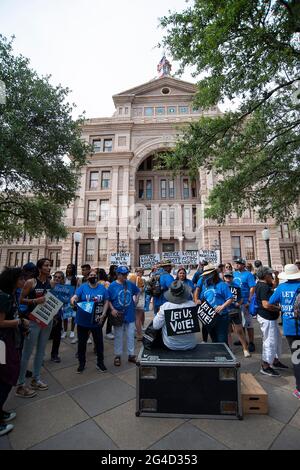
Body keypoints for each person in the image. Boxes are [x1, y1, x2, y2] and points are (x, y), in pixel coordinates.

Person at [0, 268, 34, 436]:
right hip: (1, 343)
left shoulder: (12, 295)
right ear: (13, 280)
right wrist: (19, 322)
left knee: (9, 373)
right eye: (21, 278)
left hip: (10, 340)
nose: (24, 281)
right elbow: (0, 322)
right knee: (5, 376)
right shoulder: (3, 297)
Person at [16, 258, 53, 397]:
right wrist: (34, 301)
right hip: (32, 321)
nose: (49, 267)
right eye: (46, 265)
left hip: (46, 320)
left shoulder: (51, 283)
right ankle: (20, 384)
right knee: (27, 352)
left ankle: (36, 379)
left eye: (50, 265)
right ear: (39, 268)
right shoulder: (31, 282)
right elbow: (19, 299)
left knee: (41, 351)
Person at [269, 264, 300, 399]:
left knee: (297, 358)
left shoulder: (281, 288)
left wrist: (281, 308)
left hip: (291, 328)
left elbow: (270, 302)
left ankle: (299, 389)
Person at [71, 268, 109, 374]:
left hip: (96, 320)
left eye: (94, 275)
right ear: (87, 277)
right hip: (83, 320)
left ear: (97, 277)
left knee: (99, 343)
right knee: (82, 344)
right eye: (90, 275)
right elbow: (75, 297)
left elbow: (106, 301)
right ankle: (81, 363)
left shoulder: (102, 288)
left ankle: (100, 363)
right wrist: (73, 301)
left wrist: (104, 314)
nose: (93, 277)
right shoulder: (82, 287)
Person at [256, 267, 288, 377]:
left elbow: (274, 285)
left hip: (269, 318)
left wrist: (276, 277)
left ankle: (274, 361)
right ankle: (265, 366)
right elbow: (266, 305)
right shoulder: (263, 286)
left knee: (276, 339)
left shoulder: (264, 284)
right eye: (270, 275)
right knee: (269, 341)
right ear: (265, 276)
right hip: (267, 318)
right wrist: (279, 308)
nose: (272, 276)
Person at [108, 266, 140, 367]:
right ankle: (117, 355)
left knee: (130, 335)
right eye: (123, 274)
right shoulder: (112, 286)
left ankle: (131, 355)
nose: (126, 275)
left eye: (126, 273)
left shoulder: (129, 284)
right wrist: (112, 309)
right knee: (118, 335)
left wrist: (136, 300)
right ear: (118, 275)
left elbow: (137, 291)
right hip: (118, 314)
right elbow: (107, 299)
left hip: (129, 313)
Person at [153, 280, 197, 351]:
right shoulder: (192, 305)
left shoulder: (165, 307)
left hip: (171, 345)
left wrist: (159, 313)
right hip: (190, 344)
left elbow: (155, 326)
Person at [197, 264, 233, 344]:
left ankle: (225, 356)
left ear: (213, 273)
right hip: (210, 317)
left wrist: (222, 306)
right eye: (205, 275)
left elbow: (230, 298)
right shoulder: (205, 285)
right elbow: (203, 298)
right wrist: (199, 301)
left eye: (208, 274)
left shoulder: (222, 285)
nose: (206, 276)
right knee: (214, 340)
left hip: (221, 317)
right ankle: (218, 356)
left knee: (222, 340)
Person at [223, 271, 251, 358]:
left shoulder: (236, 286)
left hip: (235, 310)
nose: (228, 278)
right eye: (226, 276)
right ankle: (230, 349)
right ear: (224, 277)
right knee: (228, 331)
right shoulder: (221, 286)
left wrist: (239, 303)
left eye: (229, 276)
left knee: (239, 330)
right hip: (225, 311)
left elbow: (241, 298)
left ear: (232, 277)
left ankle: (245, 348)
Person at [233, 258, 256, 352]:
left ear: (243, 265)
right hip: (237, 303)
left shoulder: (248, 274)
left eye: (239, 263)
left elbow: (252, 287)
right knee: (239, 323)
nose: (237, 265)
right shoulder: (234, 274)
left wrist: (249, 300)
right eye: (236, 263)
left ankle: (251, 342)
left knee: (248, 323)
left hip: (245, 302)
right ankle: (242, 339)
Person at [49, 271, 65, 363]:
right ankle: (41, 356)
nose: (57, 279)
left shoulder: (64, 289)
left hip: (58, 316)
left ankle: (54, 354)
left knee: (57, 336)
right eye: (55, 277)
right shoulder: (48, 287)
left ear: (62, 279)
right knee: (44, 337)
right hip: (48, 315)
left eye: (59, 277)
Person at [62, 264, 77, 341]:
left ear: (73, 269)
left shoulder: (75, 279)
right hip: (65, 300)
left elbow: (76, 290)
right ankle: (64, 331)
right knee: (65, 316)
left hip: (72, 300)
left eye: (70, 268)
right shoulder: (64, 278)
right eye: (68, 268)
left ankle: (72, 331)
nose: (68, 269)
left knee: (73, 316)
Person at [129, 268, 145, 341]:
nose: (141, 273)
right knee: (138, 318)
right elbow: (140, 291)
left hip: (132, 299)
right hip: (138, 300)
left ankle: (133, 333)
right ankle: (139, 334)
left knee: (134, 317)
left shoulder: (131, 278)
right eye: (141, 272)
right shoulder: (139, 279)